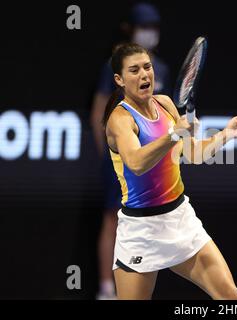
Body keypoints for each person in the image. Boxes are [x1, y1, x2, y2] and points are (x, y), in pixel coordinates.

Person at [103, 42, 237, 299]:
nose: (144, 75)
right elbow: (137, 164)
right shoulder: (120, 120)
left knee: (231, 298)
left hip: (180, 219)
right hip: (141, 231)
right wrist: (174, 135)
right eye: (134, 70)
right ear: (119, 79)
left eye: (147, 67)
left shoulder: (165, 104)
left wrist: (228, 134)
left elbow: (193, 154)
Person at [90, 2, 170, 299]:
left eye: (153, 28)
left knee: (149, 225)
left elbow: (163, 121)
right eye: (143, 27)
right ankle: (106, 290)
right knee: (114, 220)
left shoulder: (161, 69)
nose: (149, 34)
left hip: (151, 168)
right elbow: (98, 113)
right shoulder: (112, 67)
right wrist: (113, 158)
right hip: (121, 163)